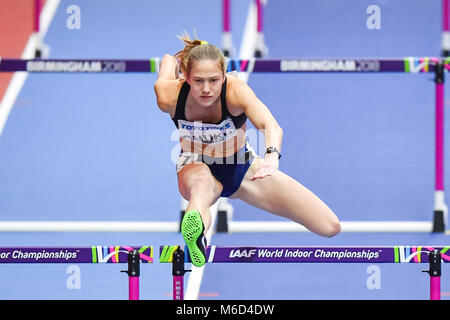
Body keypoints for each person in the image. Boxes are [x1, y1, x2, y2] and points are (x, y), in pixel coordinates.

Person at [154, 33, 341, 267]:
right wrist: (172, 62)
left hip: (243, 169)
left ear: (224, 75)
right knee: (202, 187)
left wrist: (271, 156)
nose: (206, 89)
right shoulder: (168, 96)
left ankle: (199, 225)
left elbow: (269, 125)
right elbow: (167, 64)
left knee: (329, 226)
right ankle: (196, 238)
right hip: (194, 165)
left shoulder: (235, 92)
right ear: (187, 77)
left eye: (213, 80)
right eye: (199, 80)